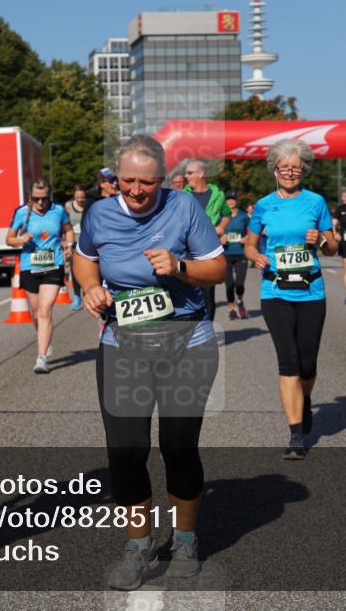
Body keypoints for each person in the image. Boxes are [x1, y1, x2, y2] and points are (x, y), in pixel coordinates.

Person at [73, 135, 226, 591]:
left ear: (163, 179)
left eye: (147, 182)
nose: (137, 190)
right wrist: (90, 288)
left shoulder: (184, 208)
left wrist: (180, 267)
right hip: (123, 344)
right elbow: (85, 261)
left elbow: (216, 269)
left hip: (186, 343)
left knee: (177, 448)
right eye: (127, 181)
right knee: (126, 452)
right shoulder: (99, 213)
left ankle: (184, 539)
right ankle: (139, 545)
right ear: (115, 178)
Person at [244, 138, 338, 460]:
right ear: (275, 169)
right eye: (284, 167)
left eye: (295, 168)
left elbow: (333, 246)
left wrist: (321, 240)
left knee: (307, 364)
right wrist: (256, 257)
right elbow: (249, 245)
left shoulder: (315, 202)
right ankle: (296, 435)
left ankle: (305, 399)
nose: (289, 172)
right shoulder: (263, 205)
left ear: (303, 171)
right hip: (275, 291)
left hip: (311, 292)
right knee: (288, 363)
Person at [7, 179, 74, 373]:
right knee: (35, 314)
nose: (41, 203)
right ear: (31, 197)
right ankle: (44, 338)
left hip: (54, 265)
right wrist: (21, 239)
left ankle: (41, 357)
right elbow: (9, 239)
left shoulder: (58, 211)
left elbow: (68, 231)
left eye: (45, 199)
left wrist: (69, 247)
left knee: (45, 310)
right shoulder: (21, 213)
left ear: (49, 197)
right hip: (30, 266)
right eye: (36, 199)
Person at [182, 160, 230, 320]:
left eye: (189, 173)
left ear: (201, 174)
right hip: (187, 249)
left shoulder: (219, 195)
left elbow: (227, 213)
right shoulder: (183, 195)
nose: (185, 176)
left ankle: (208, 328)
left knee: (208, 292)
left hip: (209, 248)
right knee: (189, 288)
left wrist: (222, 227)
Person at [222, 191, 250, 319]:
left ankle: (240, 301)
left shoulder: (243, 217)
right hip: (225, 254)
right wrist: (220, 237)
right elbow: (213, 232)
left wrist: (247, 238)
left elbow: (252, 233)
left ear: (237, 201)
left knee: (239, 283)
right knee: (229, 285)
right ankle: (232, 308)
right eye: (228, 199)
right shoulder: (221, 217)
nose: (230, 201)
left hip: (240, 254)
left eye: (233, 199)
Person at [64, 186, 87, 310]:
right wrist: (67, 244)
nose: (80, 200)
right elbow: (66, 225)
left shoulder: (88, 206)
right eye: (78, 197)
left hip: (87, 242)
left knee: (88, 269)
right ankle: (77, 296)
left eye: (82, 197)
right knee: (75, 270)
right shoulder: (68, 206)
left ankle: (87, 295)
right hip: (74, 242)